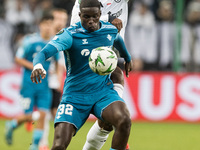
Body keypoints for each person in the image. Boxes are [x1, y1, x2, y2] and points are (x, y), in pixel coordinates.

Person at [30, 0, 133, 149]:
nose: (91, 21)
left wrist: (127, 58)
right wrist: (38, 65)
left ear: (100, 15)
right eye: (86, 17)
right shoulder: (69, 35)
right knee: (59, 145)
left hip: (102, 93)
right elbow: (44, 52)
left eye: (94, 17)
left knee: (124, 120)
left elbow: (117, 40)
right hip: (75, 97)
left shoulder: (108, 29)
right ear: (79, 15)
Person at [71, 0, 130, 149]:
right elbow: (85, 25)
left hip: (110, 54)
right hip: (87, 57)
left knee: (109, 122)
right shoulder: (84, 7)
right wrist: (109, 23)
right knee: (116, 74)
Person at [5, 15, 54, 150]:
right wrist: (36, 66)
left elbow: (58, 62)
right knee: (29, 116)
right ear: (40, 25)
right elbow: (18, 59)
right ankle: (12, 124)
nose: (48, 27)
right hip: (29, 85)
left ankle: (34, 147)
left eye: (50, 24)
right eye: (46, 24)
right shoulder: (30, 41)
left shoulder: (53, 43)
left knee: (43, 116)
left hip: (44, 86)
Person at [39, 8, 68, 150]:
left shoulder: (67, 36)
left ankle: (54, 143)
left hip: (56, 81)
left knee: (55, 113)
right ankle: (43, 143)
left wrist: (60, 79)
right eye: (59, 19)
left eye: (64, 19)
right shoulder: (47, 38)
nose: (61, 22)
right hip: (47, 80)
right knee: (46, 112)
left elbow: (61, 63)